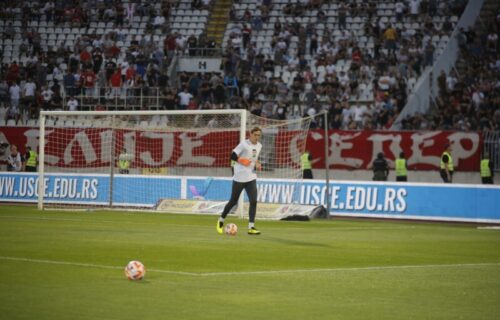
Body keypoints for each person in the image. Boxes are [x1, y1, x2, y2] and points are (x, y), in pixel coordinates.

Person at [217, 127, 263, 235]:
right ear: (250, 134)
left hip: (251, 177)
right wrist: (241, 160)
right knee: (233, 201)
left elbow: (254, 158)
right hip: (239, 177)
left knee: (254, 201)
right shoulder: (244, 144)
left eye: (259, 135)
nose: (257, 137)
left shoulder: (259, 146)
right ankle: (221, 220)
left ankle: (251, 227)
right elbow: (232, 155)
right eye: (255, 135)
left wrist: (257, 163)